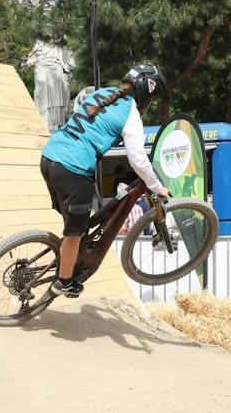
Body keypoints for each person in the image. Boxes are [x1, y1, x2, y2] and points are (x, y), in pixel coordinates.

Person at [39, 63, 169, 297]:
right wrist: (156, 186)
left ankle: (68, 256)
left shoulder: (102, 93)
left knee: (76, 224)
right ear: (146, 94)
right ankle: (64, 281)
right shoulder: (131, 114)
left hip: (49, 159)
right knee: (75, 232)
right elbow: (138, 160)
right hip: (73, 168)